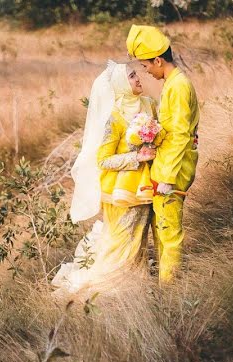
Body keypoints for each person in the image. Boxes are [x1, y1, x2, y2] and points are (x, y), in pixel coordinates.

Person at [52, 61, 159, 296]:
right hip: (121, 192)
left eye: (136, 74)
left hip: (146, 187)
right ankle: (108, 289)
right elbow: (103, 160)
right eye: (131, 76)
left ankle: (135, 286)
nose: (138, 78)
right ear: (121, 85)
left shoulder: (149, 105)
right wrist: (137, 156)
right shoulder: (115, 118)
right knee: (120, 240)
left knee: (138, 240)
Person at [127, 25, 200, 284]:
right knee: (161, 230)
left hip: (173, 172)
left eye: (147, 66)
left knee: (169, 233)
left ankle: (169, 293)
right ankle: (164, 283)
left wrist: (167, 177)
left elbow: (180, 134)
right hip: (164, 168)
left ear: (158, 60)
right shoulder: (172, 84)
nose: (146, 71)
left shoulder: (179, 86)